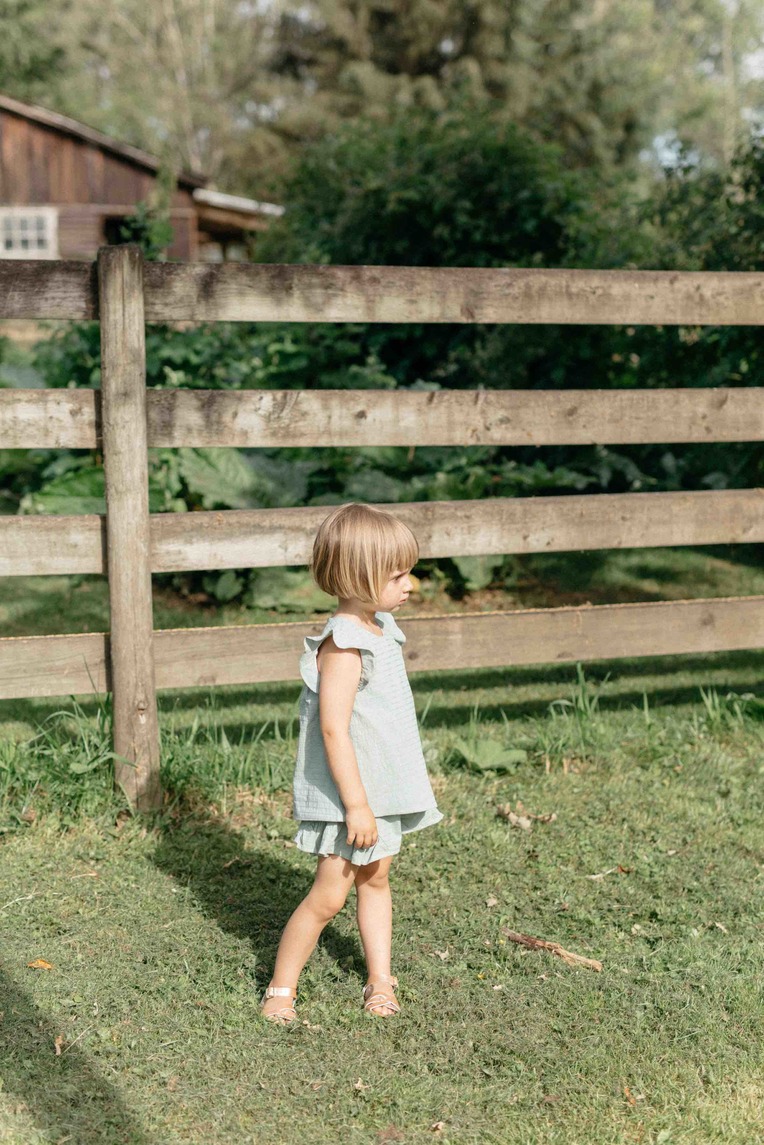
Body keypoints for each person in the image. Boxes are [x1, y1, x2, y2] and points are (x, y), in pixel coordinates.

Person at [259, 502, 443, 1023]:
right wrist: (355, 806)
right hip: (350, 797)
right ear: (359, 578)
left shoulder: (379, 624)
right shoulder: (344, 645)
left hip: (378, 789)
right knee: (328, 895)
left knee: (377, 879)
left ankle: (380, 979)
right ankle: (281, 988)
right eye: (398, 575)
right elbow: (333, 728)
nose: (411, 584)